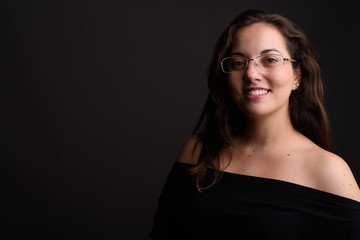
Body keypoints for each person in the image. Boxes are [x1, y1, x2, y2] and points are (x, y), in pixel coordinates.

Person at [150, 9, 360, 239]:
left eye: (269, 60)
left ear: (297, 75)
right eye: (239, 63)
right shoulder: (198, 151)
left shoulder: (328, 171)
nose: (251, 73)